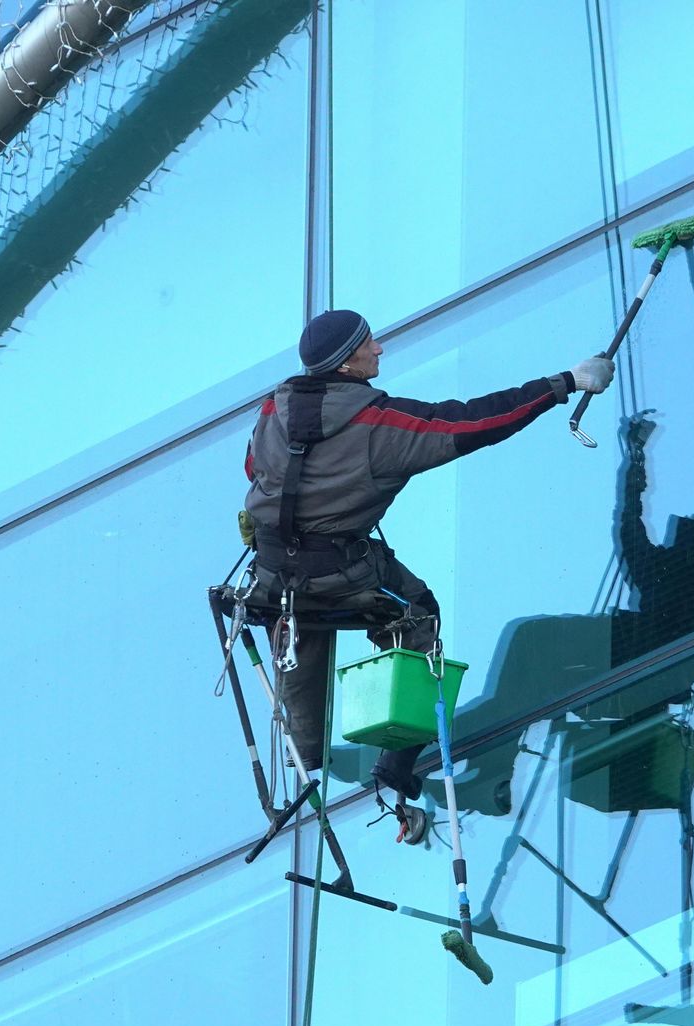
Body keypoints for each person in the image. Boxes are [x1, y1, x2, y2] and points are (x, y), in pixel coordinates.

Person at [241, 308, 613, 805]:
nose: (379, 349)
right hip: (338, 568)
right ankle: (396, 762)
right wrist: (563, 383)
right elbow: (476, 422)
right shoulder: (377, 423)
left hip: (270, 571)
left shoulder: (273, 408)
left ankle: (305, 760)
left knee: (299, 621)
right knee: (417, 614)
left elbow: (254, 469)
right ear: (346, 361)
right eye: (369, 344)